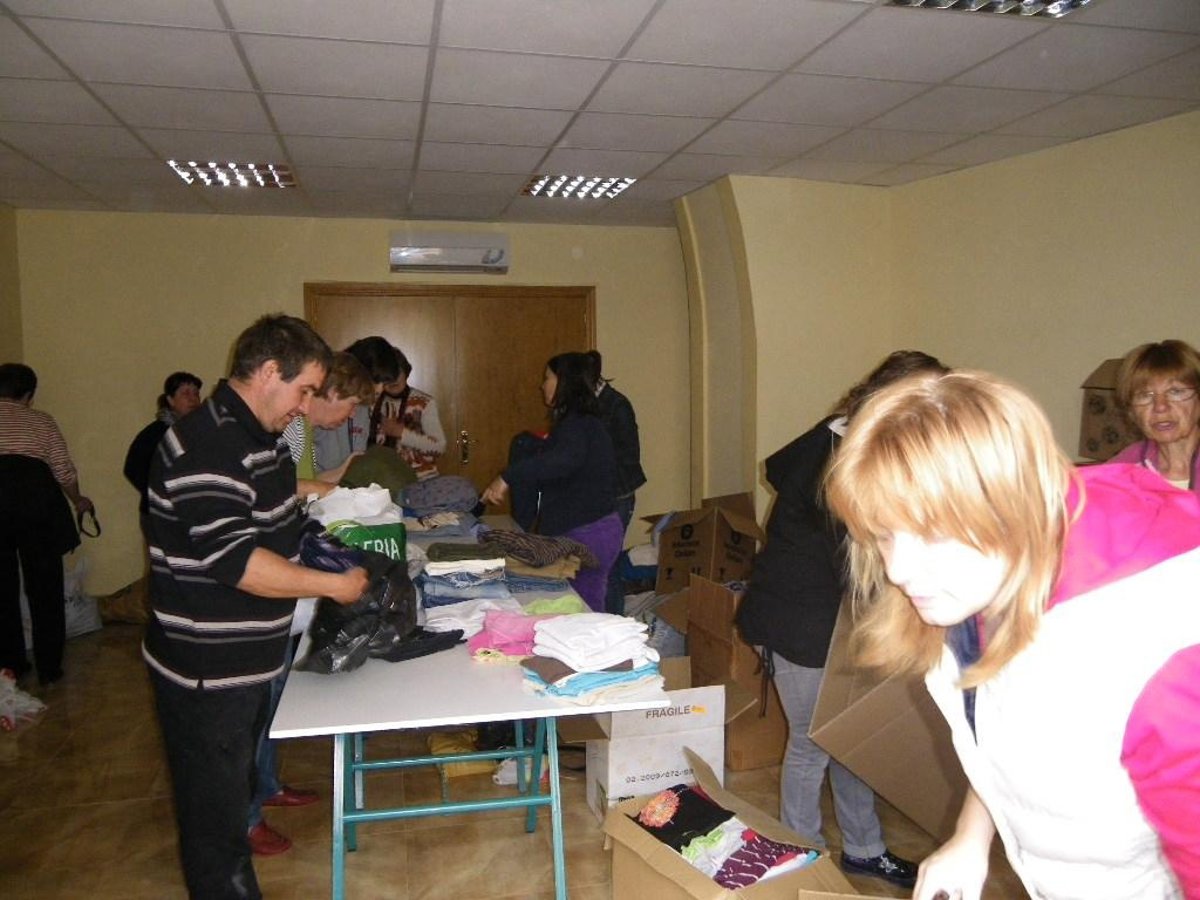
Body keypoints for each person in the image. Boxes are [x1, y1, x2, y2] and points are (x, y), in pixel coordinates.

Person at [824, 369, 1200, 900]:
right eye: (884, 535)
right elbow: (1007, 729)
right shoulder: (974, 587)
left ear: (1009, 511)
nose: (899, 571)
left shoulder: (1160, 658)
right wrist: (971, 835)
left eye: (932, 533)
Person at [143, 314, 369, 898]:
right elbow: (238, 563)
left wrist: (320, 519)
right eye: (304, 390)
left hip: (243, 660)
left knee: (232, 794)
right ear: (270, 372)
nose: (306, 406)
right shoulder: (207, 444)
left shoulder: (256, 437)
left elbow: (270, 509)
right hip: (208, 670)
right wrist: (332, 585)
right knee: (216, 825)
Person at [734, 350, 942, 889]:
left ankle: (864, 849)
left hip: (830, 620)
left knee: (851, 738)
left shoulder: (845, 436)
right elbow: (860, 564)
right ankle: (802, 860)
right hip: (798, 624)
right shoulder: (840, 463)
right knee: (813, 742)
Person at [481, 352, 622, 612]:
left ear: (563, 381)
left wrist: (507, 476)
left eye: (547, 378)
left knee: (579, 611)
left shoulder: (579, 424)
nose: (542, 385)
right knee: (581, 609)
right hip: (592, 530)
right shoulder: (580, 422)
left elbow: (561, 461)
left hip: (588, 534)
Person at [0, 363, 94, 686]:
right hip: (36, 502)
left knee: (2, 588)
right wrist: (78, 499)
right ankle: (49, 666)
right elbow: (63, 469)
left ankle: (11, 663)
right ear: (29, 395)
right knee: (45, 587)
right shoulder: (41, 421)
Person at [583, 350, 647, 615]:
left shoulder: (617, 405)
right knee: (593, 565)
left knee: (607, 566)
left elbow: (629, 456)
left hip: (617, 495)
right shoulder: (587, 404)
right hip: (596, 496)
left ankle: (615, 622)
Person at [1112, 338, 1200, 495]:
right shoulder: (1123, 469)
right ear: (1132, 410)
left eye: (1176, 392)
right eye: (1145, 395)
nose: (1160, 407)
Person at [282, 351, 375, 497]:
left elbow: (308, 482)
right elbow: (274, 487)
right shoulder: (293, 426)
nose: (353, 414)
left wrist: (345, 468)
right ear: (333, 392)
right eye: (352, 404)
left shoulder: (307, 430)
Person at [312, 335, 400, 474]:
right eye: (375, 381)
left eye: (384, 384)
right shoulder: (322, 412)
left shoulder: (364, 411)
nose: (379, 390)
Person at [124, 371, 203, 515]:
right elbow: (133, 468)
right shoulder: (155, 434)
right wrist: (161, 495)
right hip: (162, 514)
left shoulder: (205, 433)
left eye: (196, 394)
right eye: (186, 393)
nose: (193, 399)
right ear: (170, 400)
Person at [371, 346, 446, 479]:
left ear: (405, 371)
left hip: (422, 478)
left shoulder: (424, 402)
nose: (393, 380)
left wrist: (402, 433)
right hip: (382, 479)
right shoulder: (372, 403)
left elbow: (440, 446)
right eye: (388, 376)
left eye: (397, 372)